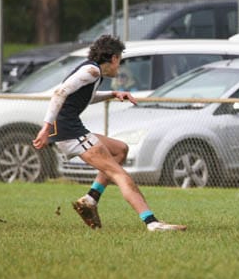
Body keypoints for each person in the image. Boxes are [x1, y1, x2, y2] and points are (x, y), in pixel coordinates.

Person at [32, 35, 186, 232]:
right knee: (120, 175)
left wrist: (113, 94)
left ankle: (90, 199)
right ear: (113, 58)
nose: (119, 67)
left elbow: (84, 97)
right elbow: (59, 93)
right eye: (119, 61)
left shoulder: (93, 72)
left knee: (120, 149)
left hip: (70, 130)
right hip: (70, 132)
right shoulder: (91, 71)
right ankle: (152, 223)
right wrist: (46, 128)